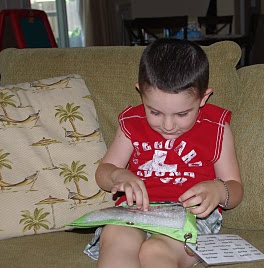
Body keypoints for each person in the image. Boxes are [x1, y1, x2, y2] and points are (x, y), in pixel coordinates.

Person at [84, 38, 243, 268]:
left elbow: (235, 188)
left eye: (182, 114)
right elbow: (103, 172)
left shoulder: (216, 126)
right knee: (116, 235)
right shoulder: (132, 122)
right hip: (136, 211)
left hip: (190, 217)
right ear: (141, 93)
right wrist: (119, 176)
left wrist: (219, 190)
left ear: (204, 98)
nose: (168, 125)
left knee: (154, 251)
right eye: (155, 112)